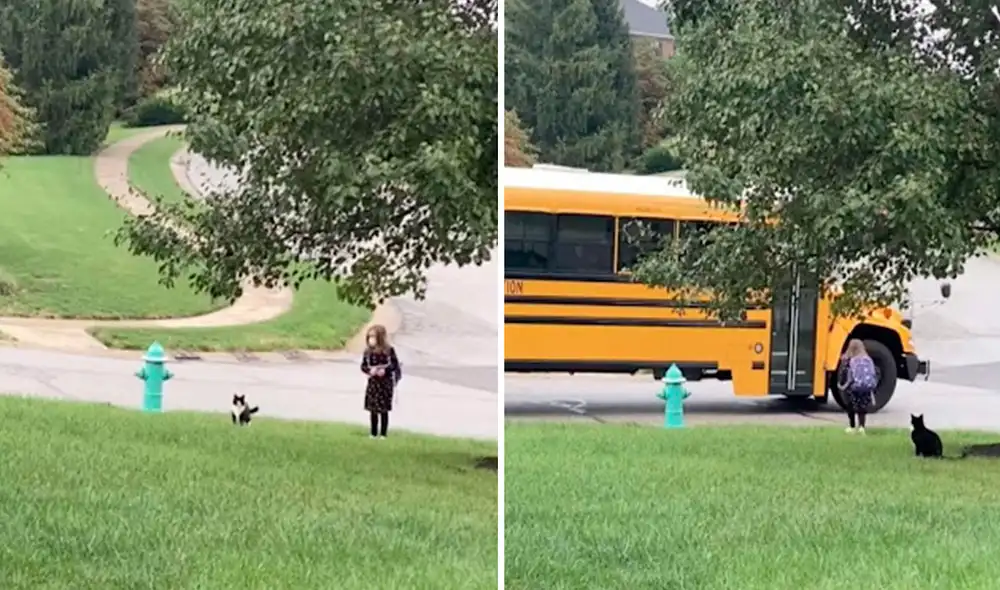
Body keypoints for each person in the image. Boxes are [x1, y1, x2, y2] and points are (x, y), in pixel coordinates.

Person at [360, 324, 402, 439]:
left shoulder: (388, 351)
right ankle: (373, 432)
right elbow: (363, 366)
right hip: (373, 383)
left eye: (373, 336)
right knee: (373, 409)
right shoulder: (368, 352)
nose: (371, 339)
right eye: (369, 337)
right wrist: (370, 371)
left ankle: (383, 433)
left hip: (385, 383)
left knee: (383, 409)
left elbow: (394, 365)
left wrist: (385, 371)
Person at [837, 339, 878, 434]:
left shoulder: (849, 360)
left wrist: (841, 383)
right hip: (866, 387)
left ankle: (852, 426)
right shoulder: (868, 359)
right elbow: (874, 373)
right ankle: (862, 427)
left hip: (853, 388)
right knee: (862, 408)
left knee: (851, 406)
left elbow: (843, 373)